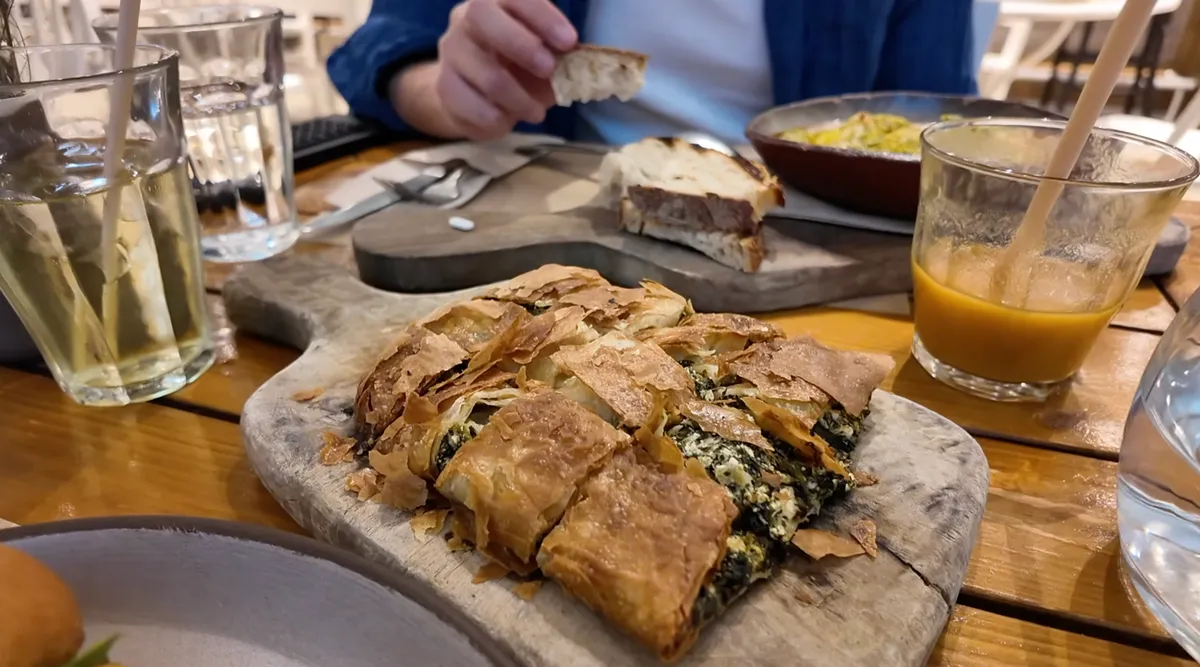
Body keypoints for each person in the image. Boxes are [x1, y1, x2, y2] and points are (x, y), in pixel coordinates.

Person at [328, 0, 977, 146]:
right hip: (549, 229)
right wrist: (443, 95)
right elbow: (376, 44)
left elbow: (933, 127)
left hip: (805, 251)